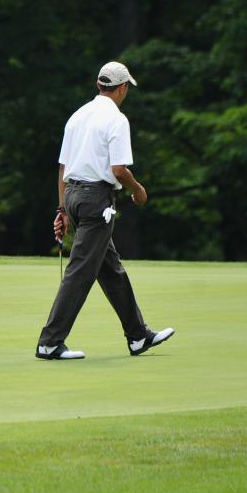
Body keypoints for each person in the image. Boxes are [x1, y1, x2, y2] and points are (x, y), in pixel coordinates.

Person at [37, 61, 175, 360]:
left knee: (110, 269)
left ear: (99, 85)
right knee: (80, 271)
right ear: (122, 88)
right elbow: (118, 169)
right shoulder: (117, 119)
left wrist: (61, 208)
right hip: (97, 200)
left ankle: (138, 335)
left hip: (73, 195)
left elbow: (62, 166)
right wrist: (137, 190)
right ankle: (49, 342)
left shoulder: (77, 116)